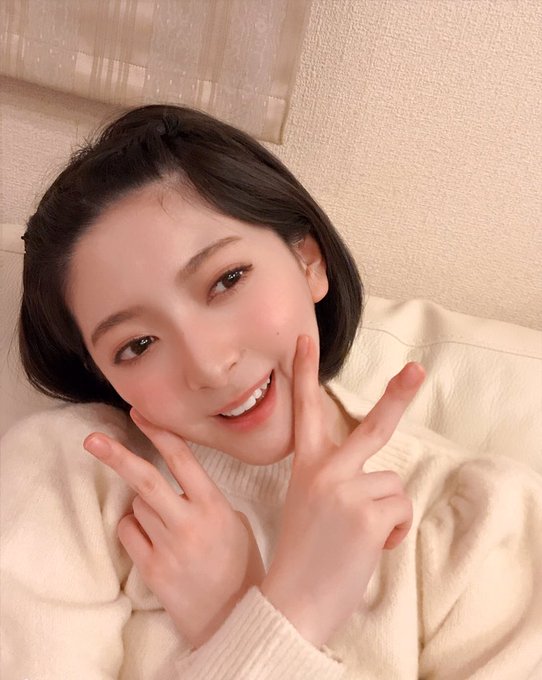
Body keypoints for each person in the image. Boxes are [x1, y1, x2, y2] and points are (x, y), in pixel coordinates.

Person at [1, 104, 541, 680]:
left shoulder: (485, 530)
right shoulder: (73, 479)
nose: (210, 367)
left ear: (308, 260)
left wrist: (236, 619)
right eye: (138, 344)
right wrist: (294, 613)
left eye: (226, 280)